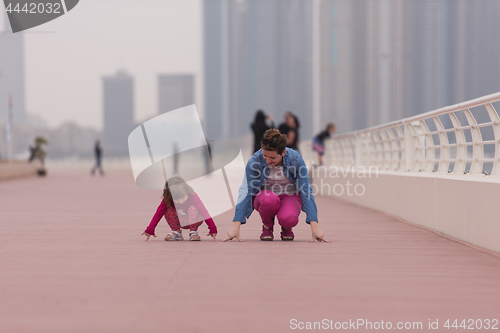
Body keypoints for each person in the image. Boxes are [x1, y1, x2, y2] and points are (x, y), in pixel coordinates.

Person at [223, 128, 329, 242]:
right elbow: (246, 191)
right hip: (265, 196)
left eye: (272, 157)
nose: (268, 160)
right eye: (265, 155)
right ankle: (267, 226)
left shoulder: (295, 159)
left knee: (289, 218)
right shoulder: (255, 160)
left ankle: (287, 227)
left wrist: (315, 227)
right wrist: (235, 226)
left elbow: (306, 190)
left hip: (289, 195)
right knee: (269, 200)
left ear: (283, 152)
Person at [142, 176, 218, 241]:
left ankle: (193, 232)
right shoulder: (168, 199)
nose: (181, 201)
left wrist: (212, 228)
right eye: (177, 200)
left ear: (186, 191)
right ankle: (176, 232)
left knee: (193, 208)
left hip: (194, 220)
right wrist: (150, 229)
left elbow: (204, 211)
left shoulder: (192, 195)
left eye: (183, 198)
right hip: (179, 219)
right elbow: (159, 212)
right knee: (167, 209)